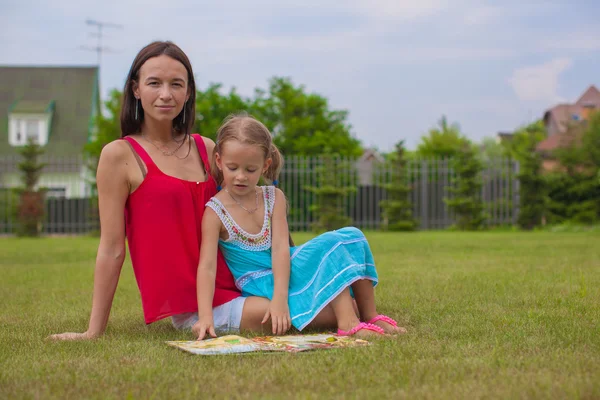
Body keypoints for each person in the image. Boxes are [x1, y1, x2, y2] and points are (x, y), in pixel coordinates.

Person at [48, 41, 338, 340]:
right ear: (136, 89)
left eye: (176, 84)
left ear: (188, 92)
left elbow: (258, 208)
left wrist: (286, 276)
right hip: (197, 303)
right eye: (154, 83)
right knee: (305, 314)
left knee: (317, 297)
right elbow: (111, 248)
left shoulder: (207, 149)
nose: (166, 94)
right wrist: (93, 331)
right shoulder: (119, 155)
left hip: (247, 280)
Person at [193, 114, 406, 340]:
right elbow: (207, 267)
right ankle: (348, 323)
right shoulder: (215, 211)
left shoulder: (274, 197)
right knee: (331, 245)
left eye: (251, 169)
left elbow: (280, 250)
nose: (241, 176)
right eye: (232, 167)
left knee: (352, 235)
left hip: (285, 269)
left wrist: (280, 298)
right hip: (259, 281)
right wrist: (205, 317)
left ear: (265, 166)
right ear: (218, 161)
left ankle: (369, 315)